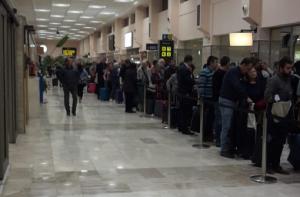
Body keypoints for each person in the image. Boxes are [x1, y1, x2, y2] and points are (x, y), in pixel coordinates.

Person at [219, 57, 254, 158]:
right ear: (243, 65)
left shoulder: (240, 74)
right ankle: (224, 149)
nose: (248, 71)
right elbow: (237, 86)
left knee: (231, 126)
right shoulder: (233, 72)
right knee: (227, 125)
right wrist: (246, 97)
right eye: (247, 69)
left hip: (233, 102)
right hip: (226, 101)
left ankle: (230, 147)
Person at [264, 56, 294, 174]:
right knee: (272, 141)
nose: (290, 70)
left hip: (285, 114)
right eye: (287, 68)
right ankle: (268, 164)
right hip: (274, 114)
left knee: (281, 142)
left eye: (291, 68)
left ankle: (276, 164)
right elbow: (267, 96)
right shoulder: (274, 80)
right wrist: (278, 100)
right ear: (281, 68)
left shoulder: (289, 79)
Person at [198, 56, 219, 142]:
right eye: (215, 62)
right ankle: (204, 135)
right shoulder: (204, 72)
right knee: (206, 117)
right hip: (206, 98)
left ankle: (209, 134)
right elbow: (201, 85)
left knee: (211, 117)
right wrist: (201, 97)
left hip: (212, 97)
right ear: (211, 63)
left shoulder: (214, 72)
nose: (217, 64)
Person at [212, 56, 230, 147]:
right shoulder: (220, 74)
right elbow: (216, 88)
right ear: (227, 63)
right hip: (219, 100)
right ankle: (218, 139)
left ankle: (220, 138)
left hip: (219, 99)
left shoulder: (221, 73)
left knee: (221, 120)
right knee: (219, 120)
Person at [177, 55, 195, 135]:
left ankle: (181, 127)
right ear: (189, 61)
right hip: (185, 93)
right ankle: (185, 128)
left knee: (182, 110)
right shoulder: (185, 69)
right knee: (186, 111)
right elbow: (188, 80)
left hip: (181, 92)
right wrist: (194, 81)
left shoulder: (181, 67)